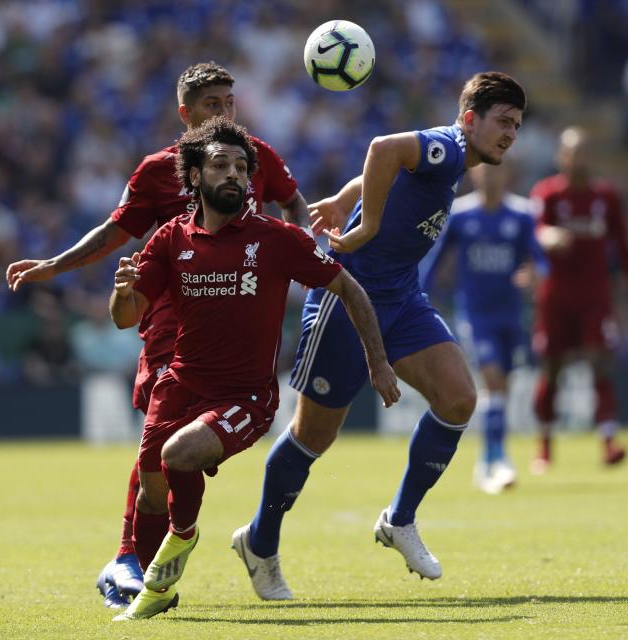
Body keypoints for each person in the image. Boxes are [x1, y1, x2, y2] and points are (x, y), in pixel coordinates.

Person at [4, 62, 309, 608]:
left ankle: (142, 558)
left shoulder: (251, 155)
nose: (223, 112)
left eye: (228, 102)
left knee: (177, 449)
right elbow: (115, 231)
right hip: (173, 325)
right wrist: (55, 266)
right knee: (161, 442)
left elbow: (291, 202)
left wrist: (304, 243)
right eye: (211, 104)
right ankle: (132, 559)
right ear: (185, 114)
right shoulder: (158, 171)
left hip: (238, 319)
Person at [232, 71, 526, 599]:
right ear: (469, 120)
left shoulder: (457, 155)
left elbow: (392, 170)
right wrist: (362, 226)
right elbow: (383, 147)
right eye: (502, 122)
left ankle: (400, 519)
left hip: (401, 298)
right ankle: (260, 541)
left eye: (516, 126)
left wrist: (347, 200)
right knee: (314, 435)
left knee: (458, 399)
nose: (509, 133)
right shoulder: (450, 148)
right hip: (348, 296)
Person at [109, 117, 399, 620]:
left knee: (180, 455)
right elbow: (126, 316)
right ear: (195, 177)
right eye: (220, 165)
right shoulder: (171, 240)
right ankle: (155, 596)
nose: (234, 175)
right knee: (151, 496)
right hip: (177, 385)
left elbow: (349, 289)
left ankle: (183, 540)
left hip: (246, 396)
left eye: (242, 167)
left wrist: (379, 362)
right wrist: (120, 291)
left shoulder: (276, 238)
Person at [529, 126, 628, 473]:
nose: (578, 158)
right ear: (560, 157)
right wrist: (547, 235)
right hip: (556, 296)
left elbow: (624, 247)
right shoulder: (547, 194)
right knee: (553, 369)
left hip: (595, 296)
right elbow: (532, 231)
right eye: (572, 151)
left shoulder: (606, 197)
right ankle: (545, 445)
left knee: (600, 361)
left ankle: (609, 441)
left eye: (584, 151)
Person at [421, 162, 546, 494]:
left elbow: (537, 256)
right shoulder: (461, 215)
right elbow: (435, 262)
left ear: (508, 175)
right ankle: (498, 458)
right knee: (492, 380)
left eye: (498, 171)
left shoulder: (521, 214)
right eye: (486, 171)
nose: (491, 176)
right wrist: (420, 293)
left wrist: (535, 273)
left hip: (510, 315)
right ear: (475, 175)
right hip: (475, 316)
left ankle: (487, 460)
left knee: (501, 388)